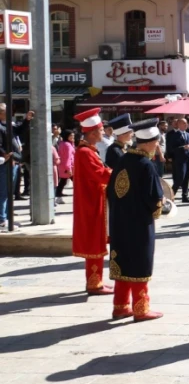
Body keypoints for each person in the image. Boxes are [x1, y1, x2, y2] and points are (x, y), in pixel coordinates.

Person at [106, 118, 165, 321]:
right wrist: (160, 210)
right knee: (140, 263)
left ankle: (120, 306)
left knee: (123, 262)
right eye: (157, 142)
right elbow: (155, 199)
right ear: (150, 142)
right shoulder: (146, 165)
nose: (157, 145)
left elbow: (110, 191)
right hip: (139, 224)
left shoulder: (123, 159)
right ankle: (141, 308)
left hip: (119, 222)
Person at [71, 108, 114, 295]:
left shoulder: (87, 151)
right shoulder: (85, 153)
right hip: (91, 203)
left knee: (96, 241)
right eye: (101, 130)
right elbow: (100, 175)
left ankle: (96, 281)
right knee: (94, 243)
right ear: (92, 132)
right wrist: (118, 172)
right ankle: (94, 283)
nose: (103, 133)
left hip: (94, 201)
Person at [166, 118, 189, 203]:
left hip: (188, 159)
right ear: (178, 125)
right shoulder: (174, 135)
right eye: (184, 123)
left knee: (186, 178)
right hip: (179, 160)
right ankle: (171, 195)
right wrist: (183, 148)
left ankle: (185, 196)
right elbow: (172, 148)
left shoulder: (188, 134)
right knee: (179, 178)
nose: (186, 125)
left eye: (186, 123)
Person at [56, 130, 75, 205]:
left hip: (64, 166)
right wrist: (68, 168)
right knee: (76, 183)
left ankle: (58, 196)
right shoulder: (67, 145)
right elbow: (67, 157)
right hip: (68, 167)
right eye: (71, 135)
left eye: (73, 135)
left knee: (62, 182)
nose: (73, 137)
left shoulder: (63, 143)